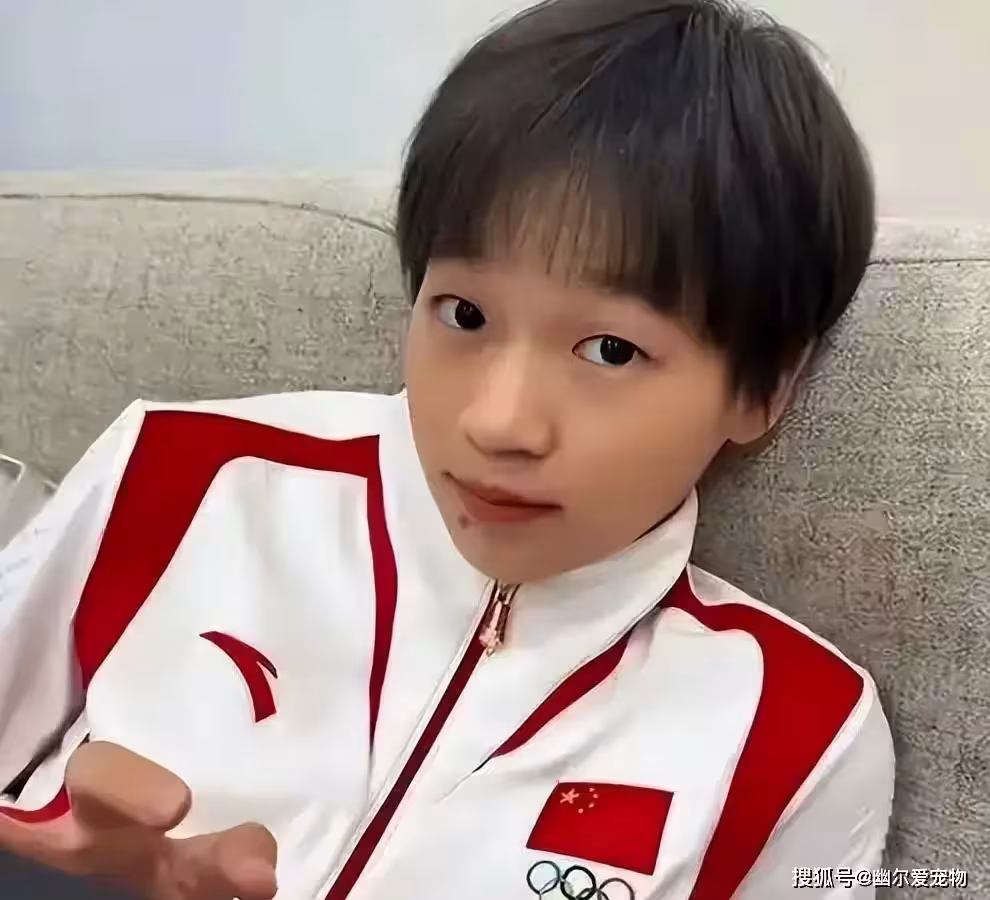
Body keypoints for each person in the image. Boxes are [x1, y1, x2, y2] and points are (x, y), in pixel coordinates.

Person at [0, 0, 893, 897]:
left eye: (611, 351)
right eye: (464, 314)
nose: (497, 422)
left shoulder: (799, 739)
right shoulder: (181, 475)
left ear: (764, 388)